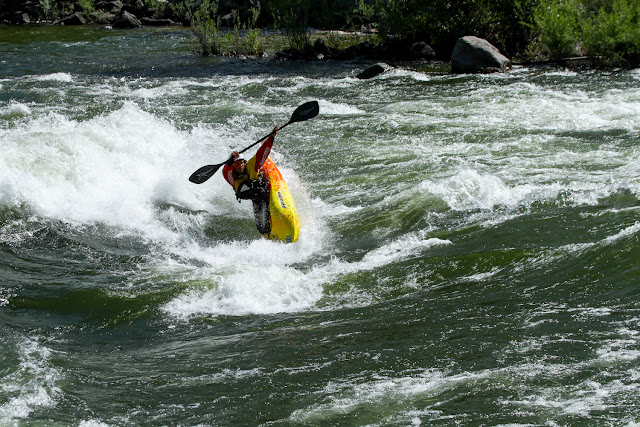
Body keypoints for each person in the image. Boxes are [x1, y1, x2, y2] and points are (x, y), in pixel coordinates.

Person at [221, 125, 279, 203]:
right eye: (237, 164)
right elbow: (226, 170)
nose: (240, 165)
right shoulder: (231, 175)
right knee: (258, 191)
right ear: (233, 165)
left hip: (256, 186)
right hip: (244, 192)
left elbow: (261, 153)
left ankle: (267, 199)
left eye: (241, 163)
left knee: (261, 186)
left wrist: (271, 138)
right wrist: (231, 160)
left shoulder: (250, 165)